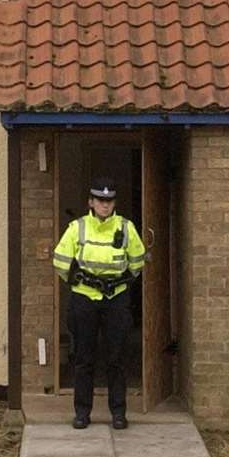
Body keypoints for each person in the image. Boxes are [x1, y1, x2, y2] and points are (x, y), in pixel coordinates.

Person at [51, 177, 147, 430]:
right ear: (91, 202)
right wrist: (78, 281)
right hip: (84, 298)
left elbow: (137, 262)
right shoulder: (77, 228)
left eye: (109, 201)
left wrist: (120, 283)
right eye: (100, 201)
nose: (105, 205)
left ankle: (118, 413)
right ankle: (82, 413)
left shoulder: (126, 228)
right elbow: (60, 261)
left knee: (116, 358)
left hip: (116, 298)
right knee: (84, 358)